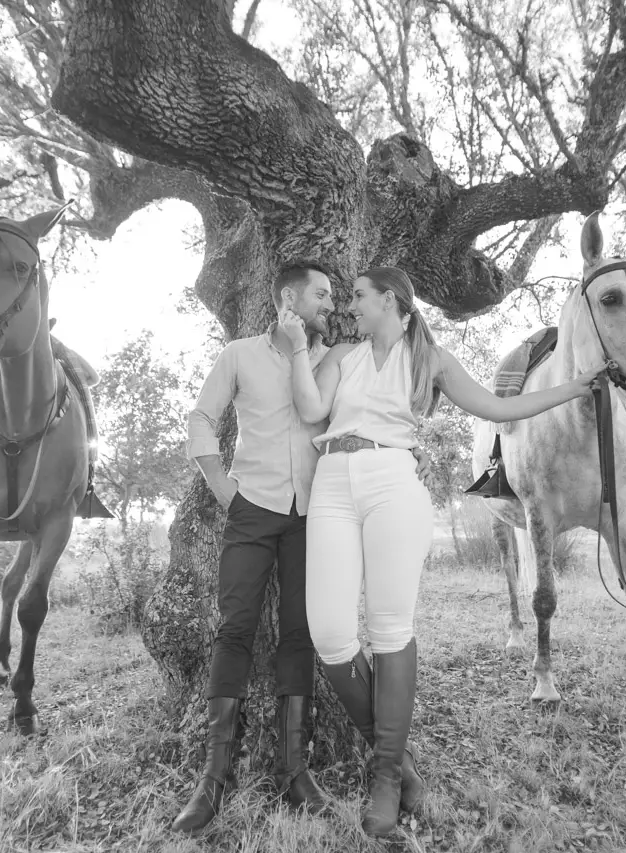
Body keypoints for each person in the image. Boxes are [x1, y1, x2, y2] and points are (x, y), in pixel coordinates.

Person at [280, 266, 603, 837]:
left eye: (359, 296)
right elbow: (310, 410)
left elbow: (498, 409)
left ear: (390, 300)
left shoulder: (430, 359)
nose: (350, 305)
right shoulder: (342, 356)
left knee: (389, 630)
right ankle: (400, 762)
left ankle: (385, 776)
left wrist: (574, 388)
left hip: (392, 480)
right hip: (332, 481)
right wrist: (298, 349)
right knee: (329, 634)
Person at [174, 262, 431, 834]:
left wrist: (409, 450)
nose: (331, 306)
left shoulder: (336, 360)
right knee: (235, 628)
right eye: (321, 295)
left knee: (300, 635)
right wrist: (222, 488)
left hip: (312, 514)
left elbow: (369, 416)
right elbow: (202, 417)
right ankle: (213, 776)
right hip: (252, 506)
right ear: (289, 298)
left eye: (337, 297)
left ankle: (295, 770)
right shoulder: (239, 355)